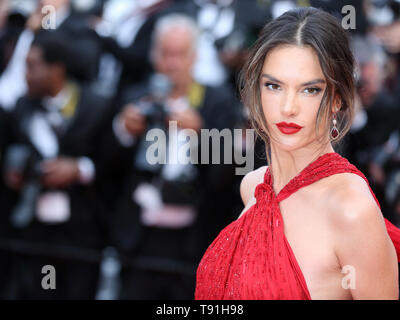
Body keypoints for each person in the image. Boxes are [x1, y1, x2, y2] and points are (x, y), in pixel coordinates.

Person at [195, 7, 400, 300]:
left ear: (338, 99)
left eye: (310, 90)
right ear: (255, 90)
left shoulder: (351, 211)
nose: (288, 107)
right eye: (274, 86)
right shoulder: (254, 187)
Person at [101, 13, 241, 299]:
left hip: (195, 239)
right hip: (139, 237)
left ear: (195, 56)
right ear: (153, 55)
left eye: (180, 54)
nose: (172, 63)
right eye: (166, 53)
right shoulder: (135, 97)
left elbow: (229, 176)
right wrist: (123, 131)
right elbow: (104, 167)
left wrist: (202, 133)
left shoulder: (218, 101)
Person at [4, 30, 110, 299]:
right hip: (34, 233)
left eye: (32, 66)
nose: (25, 74)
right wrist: (15, 175)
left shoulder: (97, 106)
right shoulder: (20, 108)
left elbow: (113, 163)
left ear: (57, 69)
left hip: (81, 233)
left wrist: (79, 169)